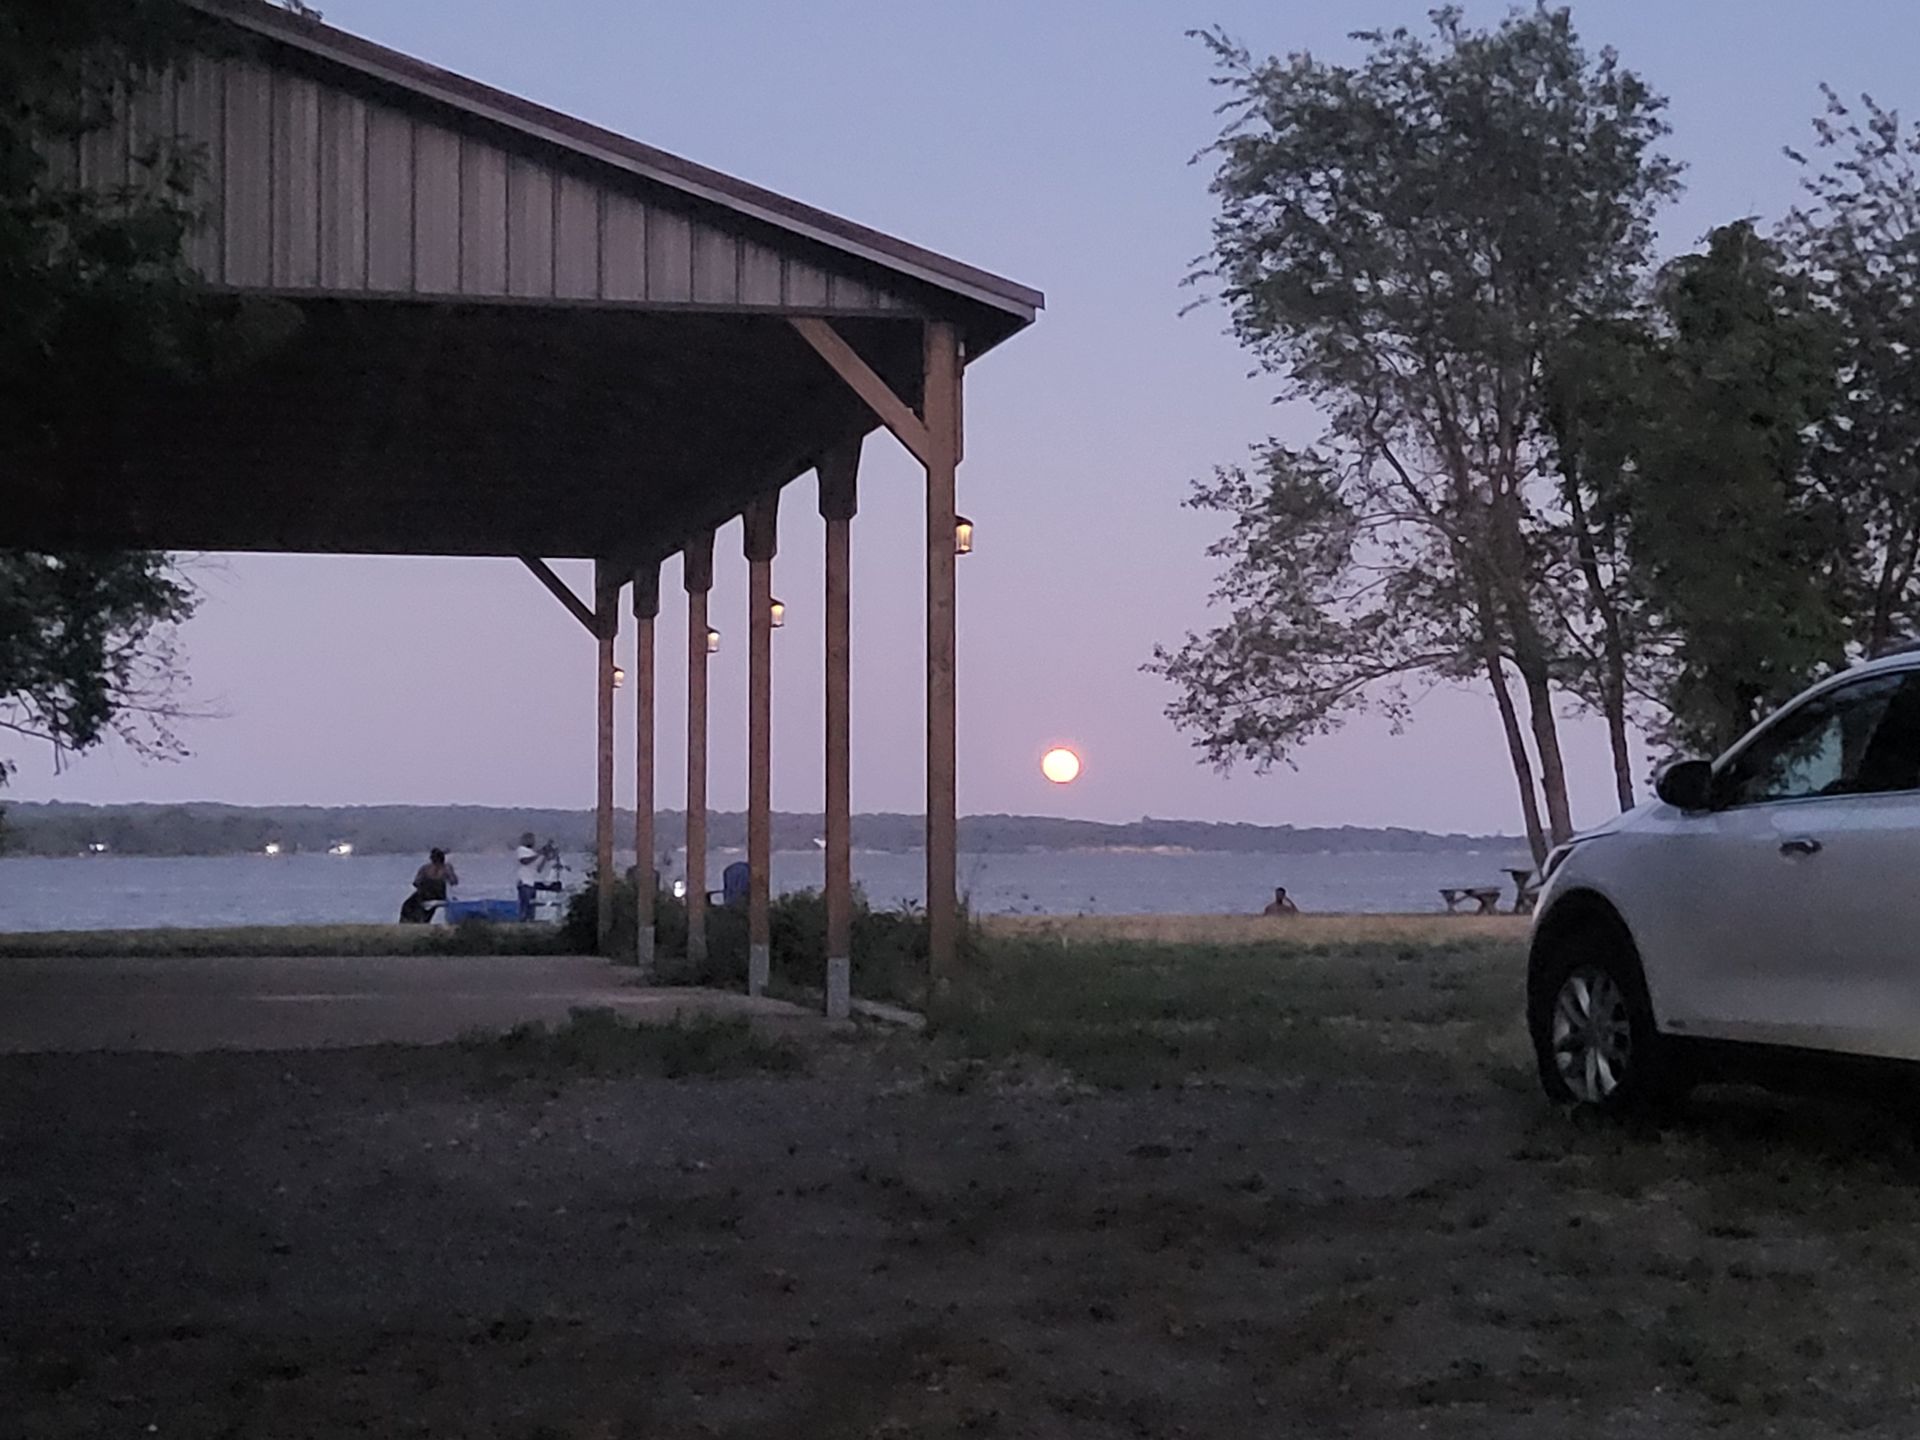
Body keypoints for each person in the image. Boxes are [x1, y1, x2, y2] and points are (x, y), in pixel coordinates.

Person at [400, 848, 458, 924]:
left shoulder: (446, 868)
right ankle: (409, 921)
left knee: (421, 905)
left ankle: (419, 921)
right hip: (425, 894)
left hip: (438, 894)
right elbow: (416, 883)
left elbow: (454, 882)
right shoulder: (425, 868)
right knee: (408, 905)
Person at [515, 832, 540, 921]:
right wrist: (538, 854)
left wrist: (545, 856)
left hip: (532, 882)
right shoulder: (521, 850)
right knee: (525, 905)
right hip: (524, 882)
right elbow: (525, 861)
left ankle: (530, 921)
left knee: (532, 906)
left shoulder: (533, 853)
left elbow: (539, 869)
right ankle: (522, 921)